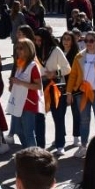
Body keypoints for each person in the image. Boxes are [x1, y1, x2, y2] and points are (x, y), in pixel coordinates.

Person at [66, 30, 95, 158]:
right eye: (86, 41)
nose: (88, 43)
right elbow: (73, 75)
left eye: (91, 41)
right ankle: (83, 146)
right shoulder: (79, 56)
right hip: (82, 93)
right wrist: (69, 92)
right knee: (84, 120)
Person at [35, 28, 71, 156]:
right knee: (39, 117)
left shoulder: (55, 50)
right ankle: (40, 146)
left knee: (58, 116)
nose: (37, 42)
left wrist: (55, 73)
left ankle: (60, 144)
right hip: (39, 87)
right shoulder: (34, 51)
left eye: (40, 40)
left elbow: (67, 68)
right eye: (36, 40)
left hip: (55, 86)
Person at [6, 38, 43, 148]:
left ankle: (34, 156)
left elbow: (38, 86)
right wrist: (13, 84)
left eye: (21, 48)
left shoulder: (33, 66)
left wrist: (20, 82)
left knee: (28, 132)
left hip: (29, 103)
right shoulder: (20, 64)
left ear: (28, 50)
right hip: (18, 102)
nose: (18, 50)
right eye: (17, 48)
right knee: (17, 128)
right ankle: (28, 150)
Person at [59, 31, 81, 147]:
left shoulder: (76, 55)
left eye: (68, 39)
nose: (66, 41)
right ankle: (60, 135)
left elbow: (74, 74)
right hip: (60, 88)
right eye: (64, 39)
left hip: (74, 89)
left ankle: (76, 136)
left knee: (76, 113)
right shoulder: (58, 52)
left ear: (73, 41)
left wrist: (71, 92)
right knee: (60, 114)